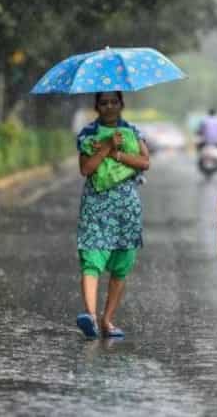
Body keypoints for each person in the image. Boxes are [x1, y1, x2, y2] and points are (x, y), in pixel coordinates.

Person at [75, 91, 150, 339]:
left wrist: (117, 153)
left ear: (121, 104)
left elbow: (144, 162)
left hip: (126, 207)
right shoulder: (87, 134)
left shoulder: (132, 131)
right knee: (91, 256)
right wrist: (106, 146)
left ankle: (108, 320)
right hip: (96, 205)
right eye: (104, 103)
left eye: (113, 102)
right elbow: (86, 168)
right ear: (96, 106)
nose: (109, 107)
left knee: (121, 263)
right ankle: (91, 317)